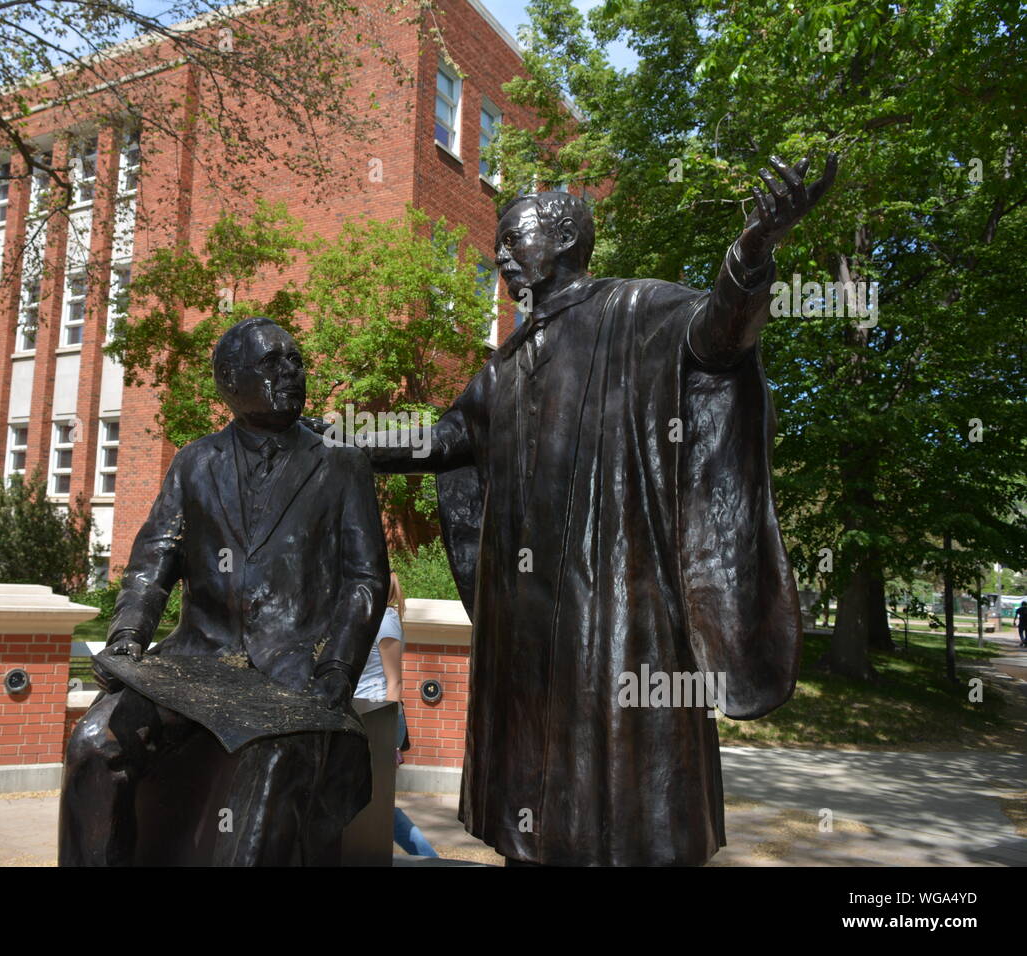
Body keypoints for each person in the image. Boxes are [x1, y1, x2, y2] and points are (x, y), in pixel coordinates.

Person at [323, 155, 835, 866]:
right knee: (533, 803)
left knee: (623, 807)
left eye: (515, 237)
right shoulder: (506, 366)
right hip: (530, 630)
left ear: (565, 241)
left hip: (617, 616)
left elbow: (720, 337)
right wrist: (344, 435)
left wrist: (752, 251)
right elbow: (442, 438)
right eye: (498, 243)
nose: (501, 254)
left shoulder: (637, 311)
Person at [59, 317, 389, 866]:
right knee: (93, 744)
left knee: (272, 773)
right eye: (271, 362)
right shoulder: (194, 461)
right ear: (229, 379)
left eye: (295, 359)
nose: (291, 371)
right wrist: (126, 639)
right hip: (196, 661)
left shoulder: (341, 463)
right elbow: (153, 561)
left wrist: (335, 671)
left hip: (291, 673)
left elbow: (365, 579)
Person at [353, 571, 439, 858]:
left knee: (378, 803)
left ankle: (431, 860)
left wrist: (386, 738)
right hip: (362, 715)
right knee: (371, 800)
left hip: (379, 718)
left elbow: (395, 682)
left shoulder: (385, 621)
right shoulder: (367, 620)